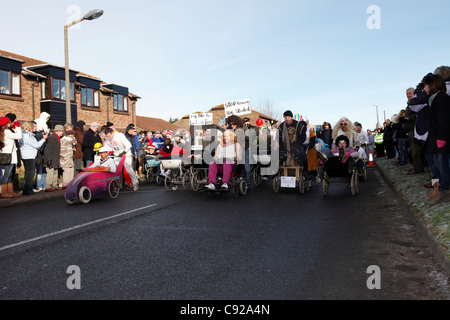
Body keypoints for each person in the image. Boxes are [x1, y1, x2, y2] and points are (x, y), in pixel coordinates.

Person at [422, 75, 450, 206]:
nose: (425, 89)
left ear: (433, 85)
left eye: (426, 86)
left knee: (442, 164)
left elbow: (444, 119)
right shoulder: (433, 99)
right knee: (436, 164)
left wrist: (442, 138)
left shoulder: (442, 98)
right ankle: (440, 190)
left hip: (440, 137)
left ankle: (445, 192)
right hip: (435, 137)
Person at [19, 121, 48, 195]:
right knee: (30, 173)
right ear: (30, 127)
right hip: (29, 156)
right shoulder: (28, 136)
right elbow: (36, 145)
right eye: (34, 126)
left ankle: (28, 188)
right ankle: (27, 189)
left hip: (26, 155)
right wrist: (44, 139)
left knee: (28, 172)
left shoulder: (24, 135)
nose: (36, 128)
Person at [1, 115, 22, 197]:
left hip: (8, 155)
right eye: (9, 123)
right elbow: (19, 136)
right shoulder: (7, 132)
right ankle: (4, 192)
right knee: (7, 174)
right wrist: (17, 128)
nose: (10, 124)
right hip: (9, 155)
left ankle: (10, 191)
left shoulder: (5, 131)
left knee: (9, 174)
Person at [43, 125, 65, 192]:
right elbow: (47, 150)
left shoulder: (56, 137)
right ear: (58, 131)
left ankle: (54, 185)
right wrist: (48, 159)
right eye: (61, 131)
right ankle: (48, 186)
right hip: (51, 158)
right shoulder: (52, 138)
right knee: (50, 173)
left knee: (55, 172)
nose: (62, 133)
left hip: (55, 158)